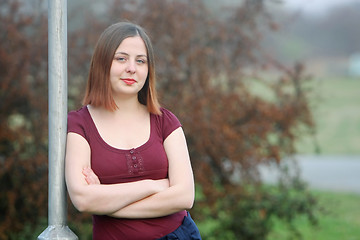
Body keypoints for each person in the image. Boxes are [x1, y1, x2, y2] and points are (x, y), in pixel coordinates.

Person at [65, 22, 201, 240]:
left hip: (177, 235)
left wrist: (107, 203)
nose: (132, 68)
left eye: (140, 61)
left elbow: (184, 196)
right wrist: (154, 185)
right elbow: (83, 199)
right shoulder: (79, 123)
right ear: (102, 63)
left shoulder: (165, 121)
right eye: (121, 58)